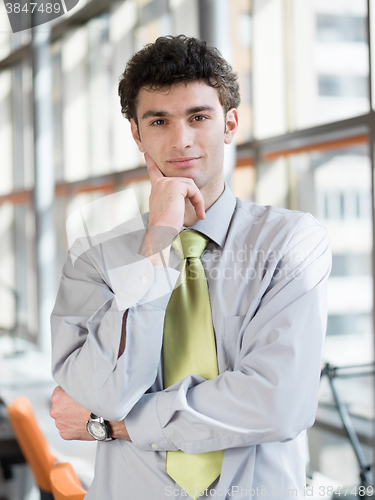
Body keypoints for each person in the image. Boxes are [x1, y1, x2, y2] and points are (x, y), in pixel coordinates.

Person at [50, 35, 331, 499]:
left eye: (199, 117)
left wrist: (115, 427)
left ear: (230, 123)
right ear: (137, 135)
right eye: (159, 121)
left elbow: (277, 406)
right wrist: (159, 240)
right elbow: (105, 392)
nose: (181, 140)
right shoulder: (92, 256)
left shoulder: (291, 242)